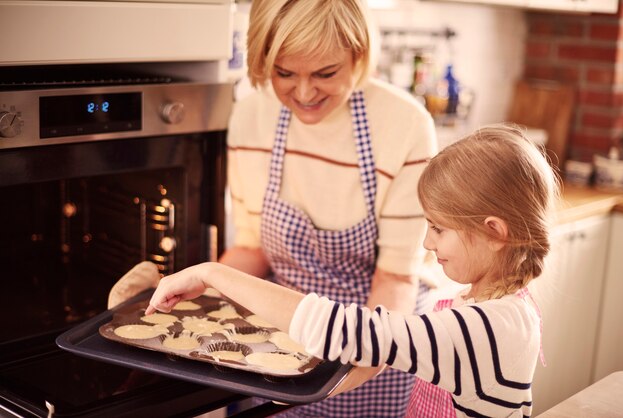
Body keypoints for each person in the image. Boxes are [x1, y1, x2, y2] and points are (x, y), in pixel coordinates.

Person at [146, 124, 560, 418]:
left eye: (438, 228)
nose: (427, 244)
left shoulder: (491, 330)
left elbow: (351, 332)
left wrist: (214, 274)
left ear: (494, 232)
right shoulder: (490, 303)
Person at [215, 0, 437, 415]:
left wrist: (347, 369)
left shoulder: (404, 124)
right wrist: (193, 293)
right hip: (275, 339)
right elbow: (252, 248)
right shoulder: (251, 116)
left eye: (325, 73)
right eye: (284, 73)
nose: (303, 93)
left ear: (359, 56)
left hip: (374, 337)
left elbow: (395, 276)